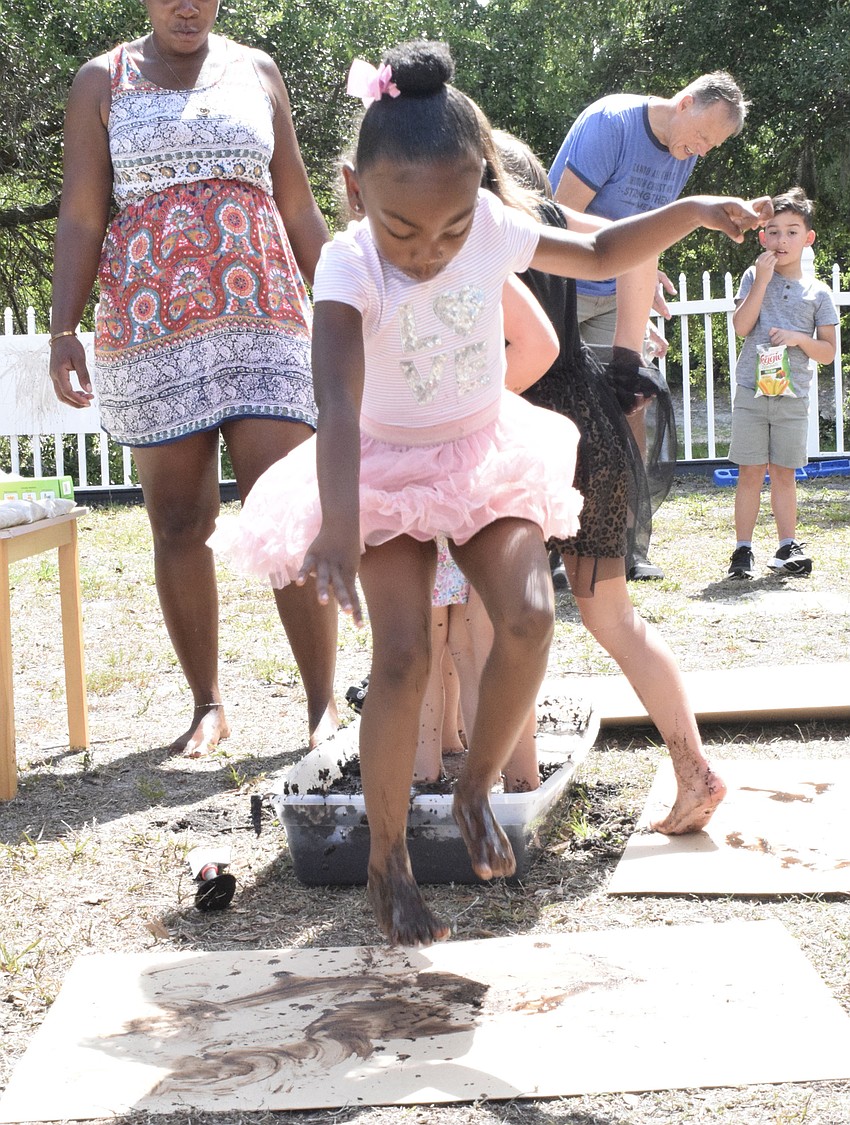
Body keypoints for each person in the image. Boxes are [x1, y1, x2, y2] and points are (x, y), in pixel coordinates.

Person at [209, 39, 767, 946]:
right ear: (355, 192)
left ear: (480, 197)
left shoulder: (494, 228)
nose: (430, 252)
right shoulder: (347, 264)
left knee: (531, 615)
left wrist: (695, 207)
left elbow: (605, 250)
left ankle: (475, 792)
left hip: (478, 454)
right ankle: (387, 860)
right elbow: (338, 404)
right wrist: (339, 529)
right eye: (404, 230)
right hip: (383, 467)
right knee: (401, 656)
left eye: (453, 228)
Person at [47, 0, 339, 756]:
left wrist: (348, 305)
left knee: (285, 511)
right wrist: (62, 328)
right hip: (152, 326)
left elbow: (298, 205)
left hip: (263, 317)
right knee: (179, 520)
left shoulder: (256, 72)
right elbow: (81, 215)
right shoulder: (100, 81)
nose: (188, 5)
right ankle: (207, 704)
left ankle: (322, 707)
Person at [495, 128, 731, 835]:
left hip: (519, 428)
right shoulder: (557, 220)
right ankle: (695, 769)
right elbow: (640, 248)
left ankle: (519, 787)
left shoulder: (482, 224)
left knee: (505, 620)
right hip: (589, 421)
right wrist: (627, 362)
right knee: (614, 616)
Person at [549, 72, 749, 580]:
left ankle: (622, 542)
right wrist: (623, 259)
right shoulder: (610, 125)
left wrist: (643, 281)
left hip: (620, 289)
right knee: (561, 412)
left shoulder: (684, 152)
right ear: (684, 103)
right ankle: (551, 546)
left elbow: (650, 228)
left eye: (711, 146)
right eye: (702, 137)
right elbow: (558, 215)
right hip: (566, 286)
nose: (698, 152)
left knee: (628, 402)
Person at [727, 188, 838, 580]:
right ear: (762, 238)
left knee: (784, 472)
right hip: (750, 391)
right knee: (750, 471)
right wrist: (761, 280)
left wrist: (798, 339)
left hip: (793, 396)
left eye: (792, 232)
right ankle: (742, 550)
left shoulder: (819, 292)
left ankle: (787, 545)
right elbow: (742, 328)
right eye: (773, 232)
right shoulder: (752, 277)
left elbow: (827, 352)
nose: (782, 241)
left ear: (807, 239)